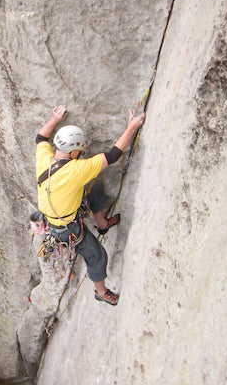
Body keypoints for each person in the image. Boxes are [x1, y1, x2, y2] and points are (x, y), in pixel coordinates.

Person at [30, 104, 145, 305]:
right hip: (67, 229)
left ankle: (102, 223)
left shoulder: (44, 159)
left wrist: (55, 119)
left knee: (95, 184)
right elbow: (113, 155)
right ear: (74, 152)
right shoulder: (76, 171)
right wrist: (132, 127)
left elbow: (40, 138)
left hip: (57, 216)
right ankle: (100, 292)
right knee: (97, 256)